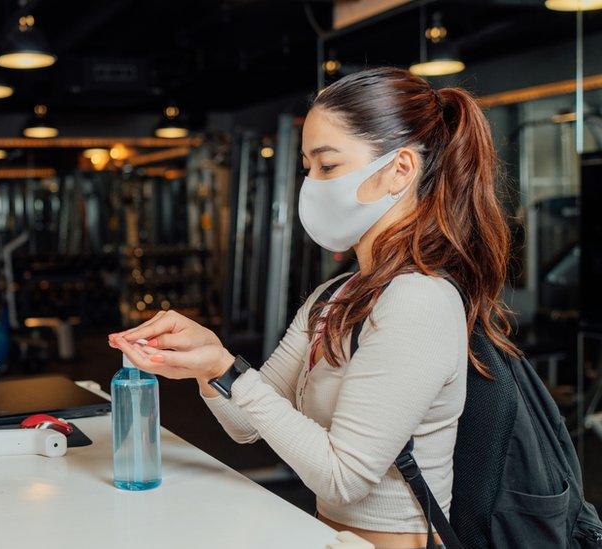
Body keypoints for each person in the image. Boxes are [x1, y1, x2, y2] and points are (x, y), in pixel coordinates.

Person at [110, 67, 518, 549]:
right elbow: (245, 426)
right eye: (308, 168)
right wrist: (210, 362)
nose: (311, 184)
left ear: (400, 169)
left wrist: (228, 369)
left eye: (327, 166)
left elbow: (344, 478)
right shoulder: (337, 294)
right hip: (328, 535)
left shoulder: (420, 301)